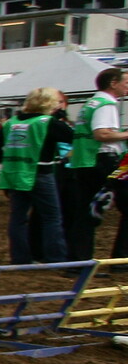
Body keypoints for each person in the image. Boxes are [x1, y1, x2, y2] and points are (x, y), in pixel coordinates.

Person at [0, 86, 72, 264]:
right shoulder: (47, 122)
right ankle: (56, 258)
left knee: (18, 217)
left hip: (14, 172)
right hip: (41, 172)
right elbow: (70, 136)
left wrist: (6, 160)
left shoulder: (12, 123)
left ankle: (20, 258)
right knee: (51, 217)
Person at [62, 66, 126, 261]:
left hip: (86, 161)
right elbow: (102, 134)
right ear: (113, 83)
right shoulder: (106, 104)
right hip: (101, 160)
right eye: (126, 82)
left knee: (85, 212)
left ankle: (79, 260)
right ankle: (119, 258)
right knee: (91, 212)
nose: (127, 87)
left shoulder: (91, 103)